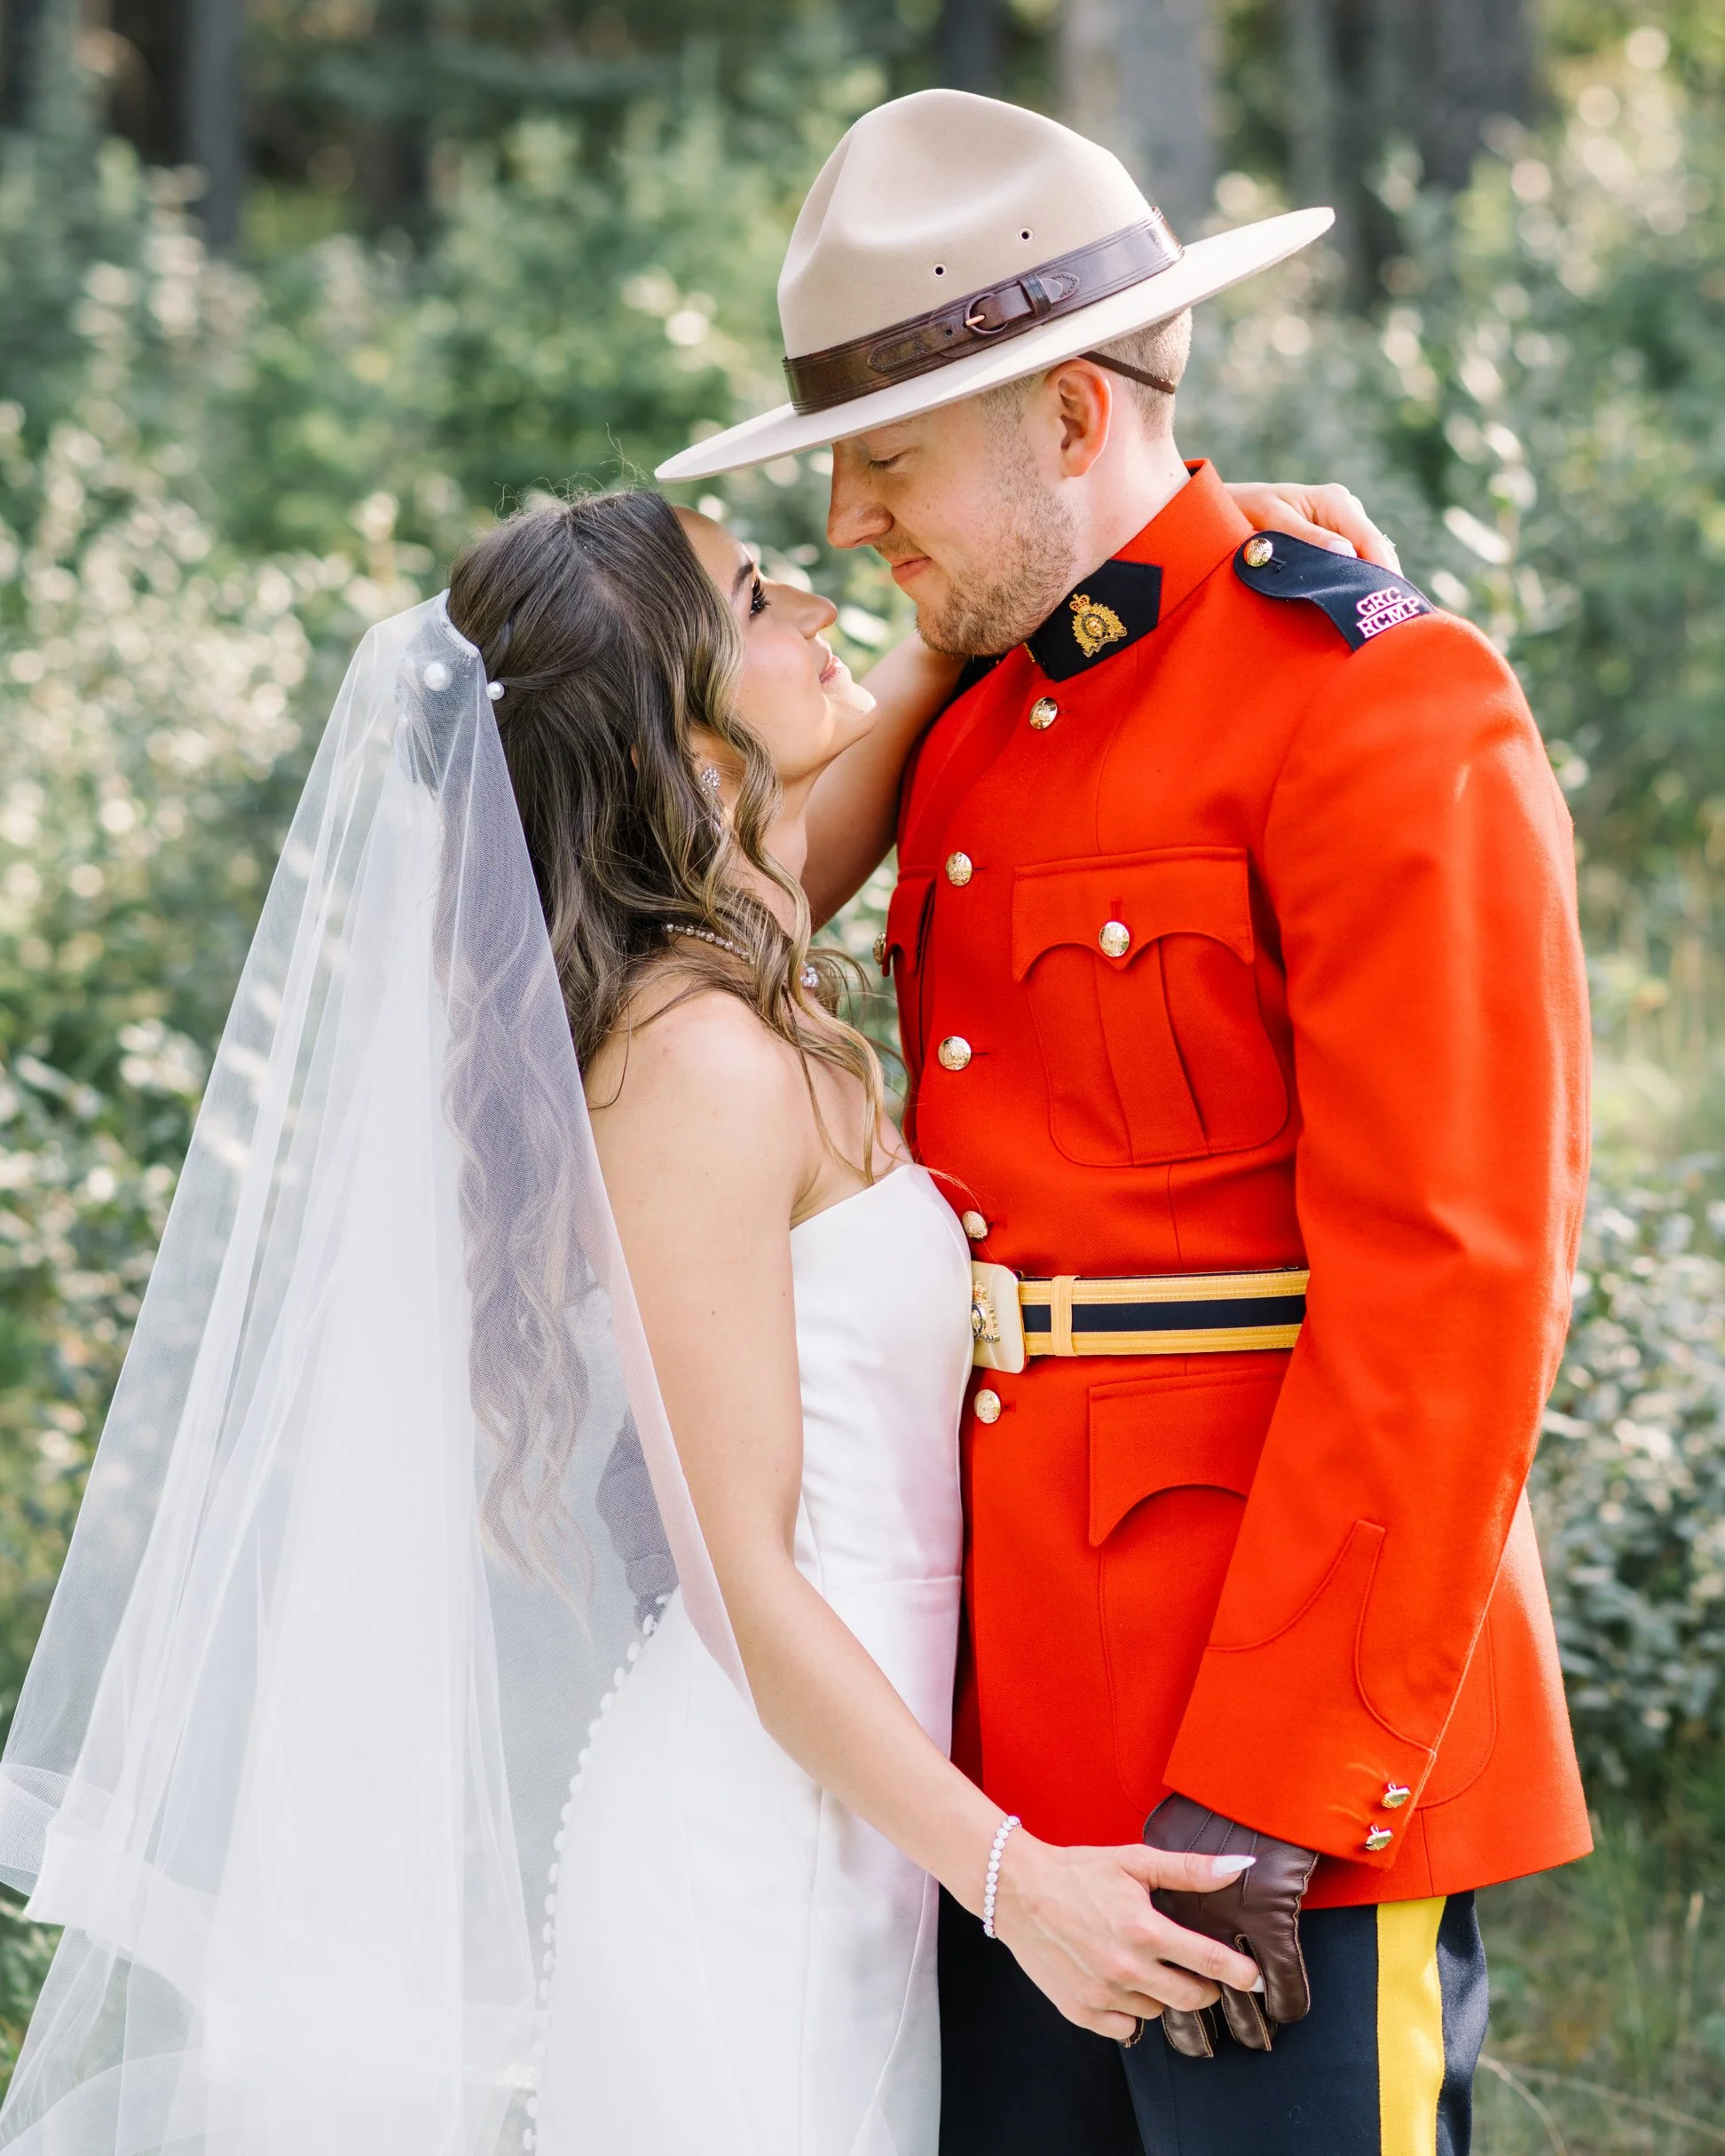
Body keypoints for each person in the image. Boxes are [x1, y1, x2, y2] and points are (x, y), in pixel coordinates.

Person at [0, 471, 1385, 2155]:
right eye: (756, 602)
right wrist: (1019, 1885)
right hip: (762, 1844)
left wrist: (1188, 518)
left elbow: (920, 678)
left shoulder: (736, 960)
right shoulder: (700, 1062)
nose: (817, 608)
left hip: (866, 1820)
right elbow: (743, 1580)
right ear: (678, 726)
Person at [660, 87, 1593, 2156]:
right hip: (1003, 1767)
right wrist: (931, 641)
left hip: (1284, 1754)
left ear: (1073, 420)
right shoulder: (969, 718)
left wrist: (1274, 1786)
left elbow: (1454, 1295)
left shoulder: (1372, 697)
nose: (844, 525)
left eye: (886, 464)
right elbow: (685, 940)